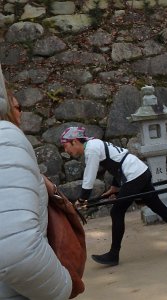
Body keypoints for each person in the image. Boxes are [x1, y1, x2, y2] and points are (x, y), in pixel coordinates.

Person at [60, 127, 167, 266]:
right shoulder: (95, 144)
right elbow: (117, 162)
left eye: (66, 146)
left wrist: (82, 199)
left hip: (134, 174)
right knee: (157, 206)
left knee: (116, 211)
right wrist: (115, 188)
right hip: (140, 171)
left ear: (74, 141)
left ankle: (113, 254)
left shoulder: (91, 149)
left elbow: (89, 178)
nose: (66, 150)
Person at [0, 82, 73, 298]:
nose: (19, 114)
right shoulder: (5, 137)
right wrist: (63, 287)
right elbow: (16, 251)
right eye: (18, 107)